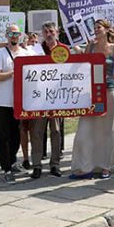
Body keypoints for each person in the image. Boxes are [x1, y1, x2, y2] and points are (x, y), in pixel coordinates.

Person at [70, 19, 114, 179]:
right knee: (84, 131)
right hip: (91, 95)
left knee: (108, 131)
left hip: (110, 92)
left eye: (98, 27)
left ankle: (106, 167)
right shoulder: (90, 47)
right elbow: (83, 66)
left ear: (106, 30)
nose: (96, 30)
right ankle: (84, 167)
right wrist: (77, 51)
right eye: (94, 28)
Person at [0, 23, 28, 183]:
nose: (14, 37)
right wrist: (14, 71)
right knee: (2, 136)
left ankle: (12, 161)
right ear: (6, 36)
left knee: (16, 135)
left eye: (16, 34)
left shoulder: (25, 53)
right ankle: (6, 169)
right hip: (1, 102)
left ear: (20, 36)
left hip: (18, 102)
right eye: (11, 34)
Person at [28, 21, 65, 178]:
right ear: (42, 34)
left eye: (51, 31)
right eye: (46, 32)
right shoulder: (35, 50)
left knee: (56, 131)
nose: (49, 34)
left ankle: (55, 164)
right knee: (37, 131)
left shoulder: (64, 49)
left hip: (57, 97)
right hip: (39, 97)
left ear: (57, 32)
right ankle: (37, 165)